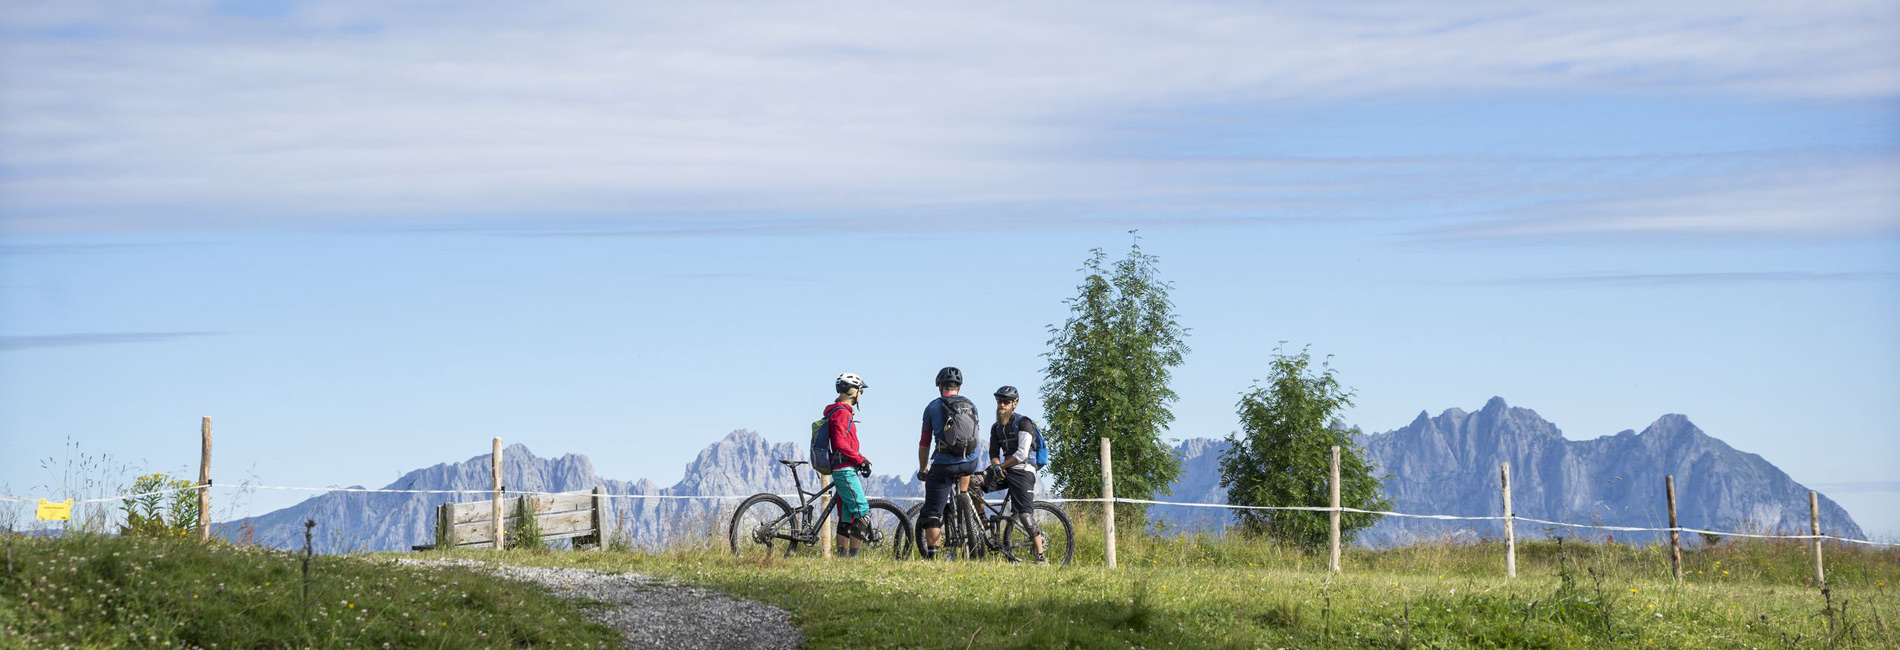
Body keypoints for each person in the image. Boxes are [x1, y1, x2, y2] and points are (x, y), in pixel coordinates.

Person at [915, 366, 982, 559]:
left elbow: (924, 443)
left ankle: (933, 557)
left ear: (940, 387)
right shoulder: (972, 405)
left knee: (932, 511)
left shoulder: (933, 407)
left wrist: (923, 469)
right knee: (963, 479)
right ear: (958, 388)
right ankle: (963, 500)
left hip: (945, 464)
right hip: (969, 463)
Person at [986, 385, 1047, 564]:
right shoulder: (995, 428)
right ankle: (983, 523)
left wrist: (1001, 466)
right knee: (974, 482)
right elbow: (993, 454)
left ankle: (1040, 556)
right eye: (999, 402)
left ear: (1015, 404)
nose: (1002, 405)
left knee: (1024, 514)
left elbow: (1022, 454)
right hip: (1005, 470)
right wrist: (997, 466)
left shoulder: (1024, 423)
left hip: (1023, 471)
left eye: (1006, 402)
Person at [827, 373, 874, 557]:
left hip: (844, 467)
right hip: (845, 470)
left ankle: (842, 557)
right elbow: (840, 443)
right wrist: (859, 459)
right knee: (863, 513)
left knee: (846, 517)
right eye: (861, 391)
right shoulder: (841, 413)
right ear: (854, 392)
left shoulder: (838, 411)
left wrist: (859, 458)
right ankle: (854, 558)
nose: (861, 395)